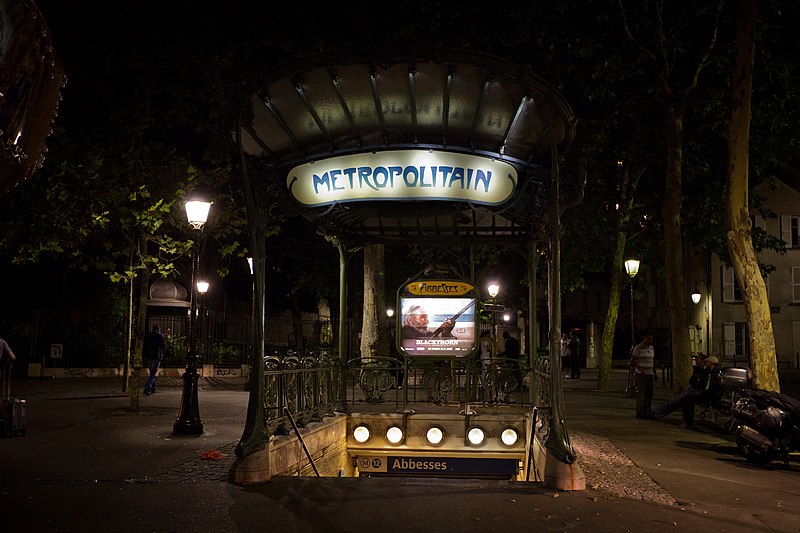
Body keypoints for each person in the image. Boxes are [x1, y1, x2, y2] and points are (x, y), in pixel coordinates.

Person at [652, 355, 723, 428]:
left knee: (684, 398)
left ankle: (686, 421)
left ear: (710, 363)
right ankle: (658, 413)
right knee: (679, 399)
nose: (706, 364)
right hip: (698, 391)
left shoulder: (714, 373)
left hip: (705, 394)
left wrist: (701, 392)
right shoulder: (706, 370)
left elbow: (712, 387)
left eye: (707, 362)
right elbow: (691, 381)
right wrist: (700, 370)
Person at [630, 329, 656, 419]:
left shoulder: (651, 348)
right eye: (648, 339)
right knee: (642, 394)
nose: (650, 341)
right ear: (644, 338)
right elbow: (632, 361)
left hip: (650, 373)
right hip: (642, 374)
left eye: (651, 339)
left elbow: (652, 361)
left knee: (649, 394)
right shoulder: (638, 348)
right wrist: (638, 367)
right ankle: (640, 412)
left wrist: (654, 373)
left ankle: (647, 410)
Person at [142, 325, 166, 396]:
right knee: (153, 374)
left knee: (152, 372)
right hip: (156, 357)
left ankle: (153, 388)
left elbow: (145, 347)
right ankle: (147, 388)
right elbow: (163, 345)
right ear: (158, 329)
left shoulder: (148, 336)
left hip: (149, 357)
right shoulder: (160, 336)